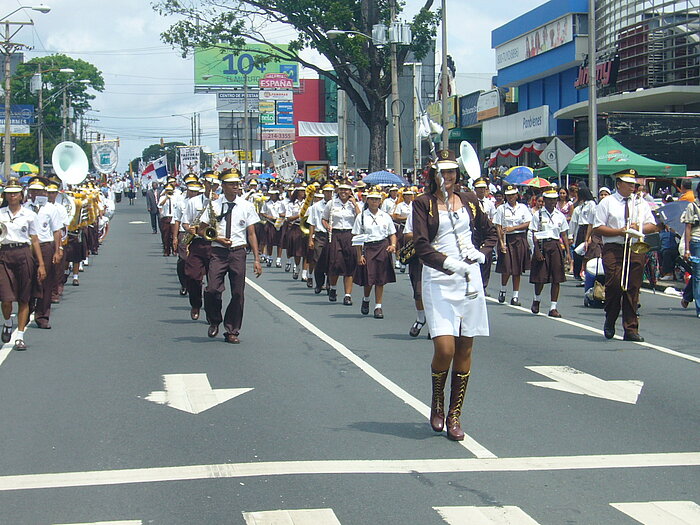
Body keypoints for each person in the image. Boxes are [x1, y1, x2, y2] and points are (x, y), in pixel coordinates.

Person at [412, 150, 498, 441]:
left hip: (469, 278)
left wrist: (481, 254)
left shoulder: (471, 200)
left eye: (451, 172)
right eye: (441, 172)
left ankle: (454, 414)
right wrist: (449, 263)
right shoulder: (422, 204)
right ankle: (437, 403)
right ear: (433, 175)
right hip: (439, 277)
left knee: (465, 347)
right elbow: (421, 246)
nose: (446, 178)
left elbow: (490, 233)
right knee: (445, 349)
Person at [592, 169, 662, 342]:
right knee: (614, 285)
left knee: (633, 287)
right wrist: (620, 231)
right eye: (629, 183)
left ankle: (631, 329)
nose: (633, 187)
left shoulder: (640, 203)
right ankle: (610, 318)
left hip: (634, 247)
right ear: (619, 183)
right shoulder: (607, 202)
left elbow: (652, 226)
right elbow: (598, 228)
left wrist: (638, 227)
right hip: (614, 247)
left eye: (634, 184)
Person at [200, 170, 262, 343]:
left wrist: (256, 259)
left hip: (238, 252)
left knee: (237, 293)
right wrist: (217, 238)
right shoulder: (214, 205)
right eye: (232, 184)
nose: (236, 186)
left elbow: (251, 234)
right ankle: (214, 320)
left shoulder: (246, 206)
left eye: (237, 183)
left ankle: (232, 330)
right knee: (212, 289)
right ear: (223, 186)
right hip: (218, 251)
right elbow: (201, 229)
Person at [0, 179, 47, 351]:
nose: (12, 196)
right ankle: (7, 322)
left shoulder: (29, 215)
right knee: (5, 298)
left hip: (23, 253)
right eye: (9, 192)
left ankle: (19, 336)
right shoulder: (1, 213)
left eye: (15, 192)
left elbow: (35, 240)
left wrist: (41, 264)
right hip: (4, 253)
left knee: (24, 297)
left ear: (21, 195)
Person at [24, 178, 63, 330]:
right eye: (32, 190)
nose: (35, 193)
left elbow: (57, 231)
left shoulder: (50, 208)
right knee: (27, 280)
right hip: (28, 246)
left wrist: (58, 250)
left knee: (45, 280)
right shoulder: (25, 207)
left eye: (38, 191)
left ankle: (42, 316)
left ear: (44, 192)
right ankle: (27, 310)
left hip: (46, 245)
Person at [352, 189, 397, 319]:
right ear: (367, 200)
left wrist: (392, 245)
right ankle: (366, 299)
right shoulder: (361, 216)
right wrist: (359, 255)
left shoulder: (385, 216)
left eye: (377, 199)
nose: (374, 202)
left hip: (382, 247)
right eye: (372, 199)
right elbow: (357, 237)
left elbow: (392, 234)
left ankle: (378, 306)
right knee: (369, 278)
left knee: (380, 279)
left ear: (380, 201)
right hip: (368, 247)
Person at [529, 189, 571, 317]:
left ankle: (553, 307)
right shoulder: (538, 215)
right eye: (549, 199)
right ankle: (537, 299)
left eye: (554, 200)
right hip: (542, 245)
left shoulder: (560, 215)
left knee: (556, 278)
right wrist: (535, 251)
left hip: (555, 246)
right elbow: (532, 233)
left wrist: (568, 253)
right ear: (545, 200)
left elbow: (564, 234)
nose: (552, 202)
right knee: (540, 278)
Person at [322, 182, 361, 305]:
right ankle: (333, 288)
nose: (344, 192)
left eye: (347, 190)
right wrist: (328, 226)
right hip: (336, 234)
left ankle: (347, 295)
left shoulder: (354, 205)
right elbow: (324, 218)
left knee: (350, 264)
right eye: (342, 190)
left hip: (350, 234)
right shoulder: (332, 203)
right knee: (336, 262)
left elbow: (360, 218)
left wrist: (355, 204)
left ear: (350, 192)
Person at [493, 184, 532, 305]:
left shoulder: (523, 208)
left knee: (517, 269)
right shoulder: (501, 209)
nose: (510, 197)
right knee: (507, 267)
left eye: (512, 195)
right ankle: (503, 290)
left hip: (519, 238)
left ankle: (515, 296)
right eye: (508, 195)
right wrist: (501, 243)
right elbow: (498, 226)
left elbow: (527, 223)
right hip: (506, 240)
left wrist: (513, 228)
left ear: (517, 195)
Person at [680, 184, 700, 318]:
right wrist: (687, 249)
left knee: (698, 274)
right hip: (697, 241)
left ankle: (687, 295)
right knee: (698, 275)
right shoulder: (692, 206)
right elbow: (688, 228)